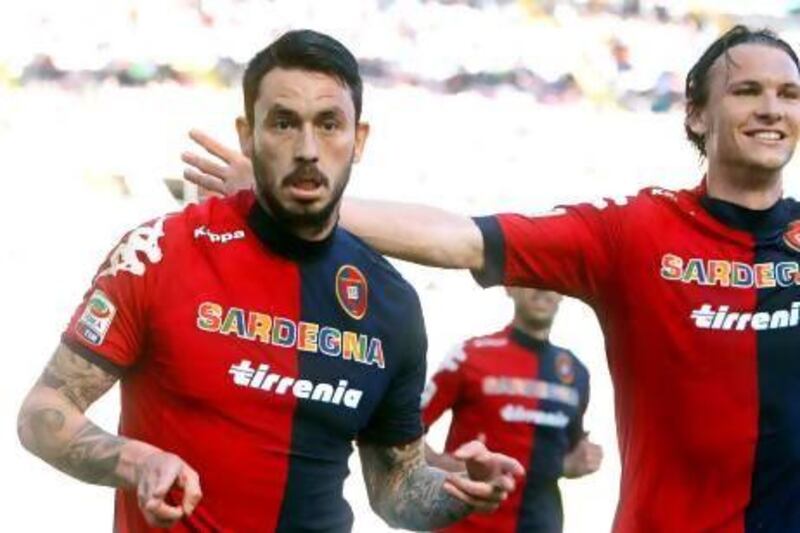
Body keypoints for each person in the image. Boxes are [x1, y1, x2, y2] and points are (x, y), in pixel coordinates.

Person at [182, 25, 800, 531]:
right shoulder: (636, 231)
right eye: (747, 91)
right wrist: (295, 197)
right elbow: (459, 238)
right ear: (695, 114)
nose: (771, 109)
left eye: (788, 94)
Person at [16, 29, 524, 533]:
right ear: (247, 134)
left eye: (329, 124)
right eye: (284, 123)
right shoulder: (159, 253)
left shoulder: (390, 303)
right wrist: (136, 462)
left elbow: (397, 488)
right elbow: (44, 411)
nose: (308, 148)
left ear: (359, 139)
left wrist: (460, 494)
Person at [422, 287, 603, 533]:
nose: (542, 289)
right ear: (510, 286)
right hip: (465, 524)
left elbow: (569, 455)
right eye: (531, 278)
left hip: (542, 523)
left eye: (552, 281)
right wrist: (435, 464)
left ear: (563, 292)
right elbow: (400, 428)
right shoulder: (469, 355)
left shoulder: (576, 372)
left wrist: (579, 462)